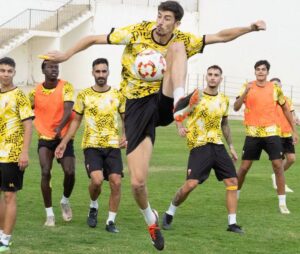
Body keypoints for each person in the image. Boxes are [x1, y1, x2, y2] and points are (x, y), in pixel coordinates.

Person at [42, 1, 265, 250]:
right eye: (159, 16)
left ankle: (180, 100)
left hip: (164, 99)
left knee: (178, 47)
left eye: (167, 18)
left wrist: (250, 28)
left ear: (176, 23)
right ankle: (151, 219)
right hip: (137, 108)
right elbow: (94, 38)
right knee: (137, 183)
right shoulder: (137, 32)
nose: (161, 21)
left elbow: (221, 36)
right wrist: (66, 55)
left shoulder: (181, 37)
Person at [162, 65, 243, 234]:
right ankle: (170, 211)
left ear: (221, 79)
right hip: (199, 145)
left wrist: (232, 147)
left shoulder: (224, 100)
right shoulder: (196, 95)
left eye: (216, 75)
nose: (213, 77)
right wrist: (179, 127)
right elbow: (177, 110)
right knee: (190, 184)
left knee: (232, 182)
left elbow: (225, 124)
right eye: (210, 74)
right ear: (206, 77)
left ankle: (232, 223)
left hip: (218, 145)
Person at [55, 58, 126, 233]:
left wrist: (126, 135)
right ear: (92, 72)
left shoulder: (118, 95)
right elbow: (76, 122)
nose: (101, 74)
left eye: (104, 71)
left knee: (116, 182)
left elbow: (127, 119)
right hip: (91, 145)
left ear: (108, 72)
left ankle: (110, 221)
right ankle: (93, 205)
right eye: (98, 71)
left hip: (112, 145)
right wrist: (64, 142)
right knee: (97, 180)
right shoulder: (84, 95)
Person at [233, 60, 298, 214]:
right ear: (254, 72)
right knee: (244, 168)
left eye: (263, 69)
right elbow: (235, 107)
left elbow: (286, 109)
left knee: (278, 167)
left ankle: (282, 203)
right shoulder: (247, 86)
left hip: (272, 134)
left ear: (267, 72)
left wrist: (294, 130)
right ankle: (235, 194)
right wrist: (245, 93)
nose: (260, 72)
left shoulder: (274, 88)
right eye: (258, 69)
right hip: (252, 134)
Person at [29, 60, 75, 226]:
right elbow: (26, 108)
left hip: (63, 138)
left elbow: (69, 108)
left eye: (56, 67)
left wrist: (59, 128)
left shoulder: (66, 86)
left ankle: (64, 200)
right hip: (45, 139)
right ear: (43, 70)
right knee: (45, 172)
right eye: (50, 67)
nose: (54, 69)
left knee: (69, 172)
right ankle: (49, 214)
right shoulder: (36, 91)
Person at [0, 57, 34, 252]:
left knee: (9, 196)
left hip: (12, 154)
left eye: (9, 71)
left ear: (14, 73)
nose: (5, 74)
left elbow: (28, 126)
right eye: (2, 70)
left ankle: (6, 239)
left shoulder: (19, 95)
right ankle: (0, 234)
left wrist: (24, 152)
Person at [270, 78, 296, 193]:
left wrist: (295, 120)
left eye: (278, 85)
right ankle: (281, 183)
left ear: (281, 86)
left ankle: (275, 176)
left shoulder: (287, 100)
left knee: (291, 159)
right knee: (278, 162)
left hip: (287, 134)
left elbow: (292, 113)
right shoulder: (269, 101)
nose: (276, 87)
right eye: (274, 85)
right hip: (275, 134)